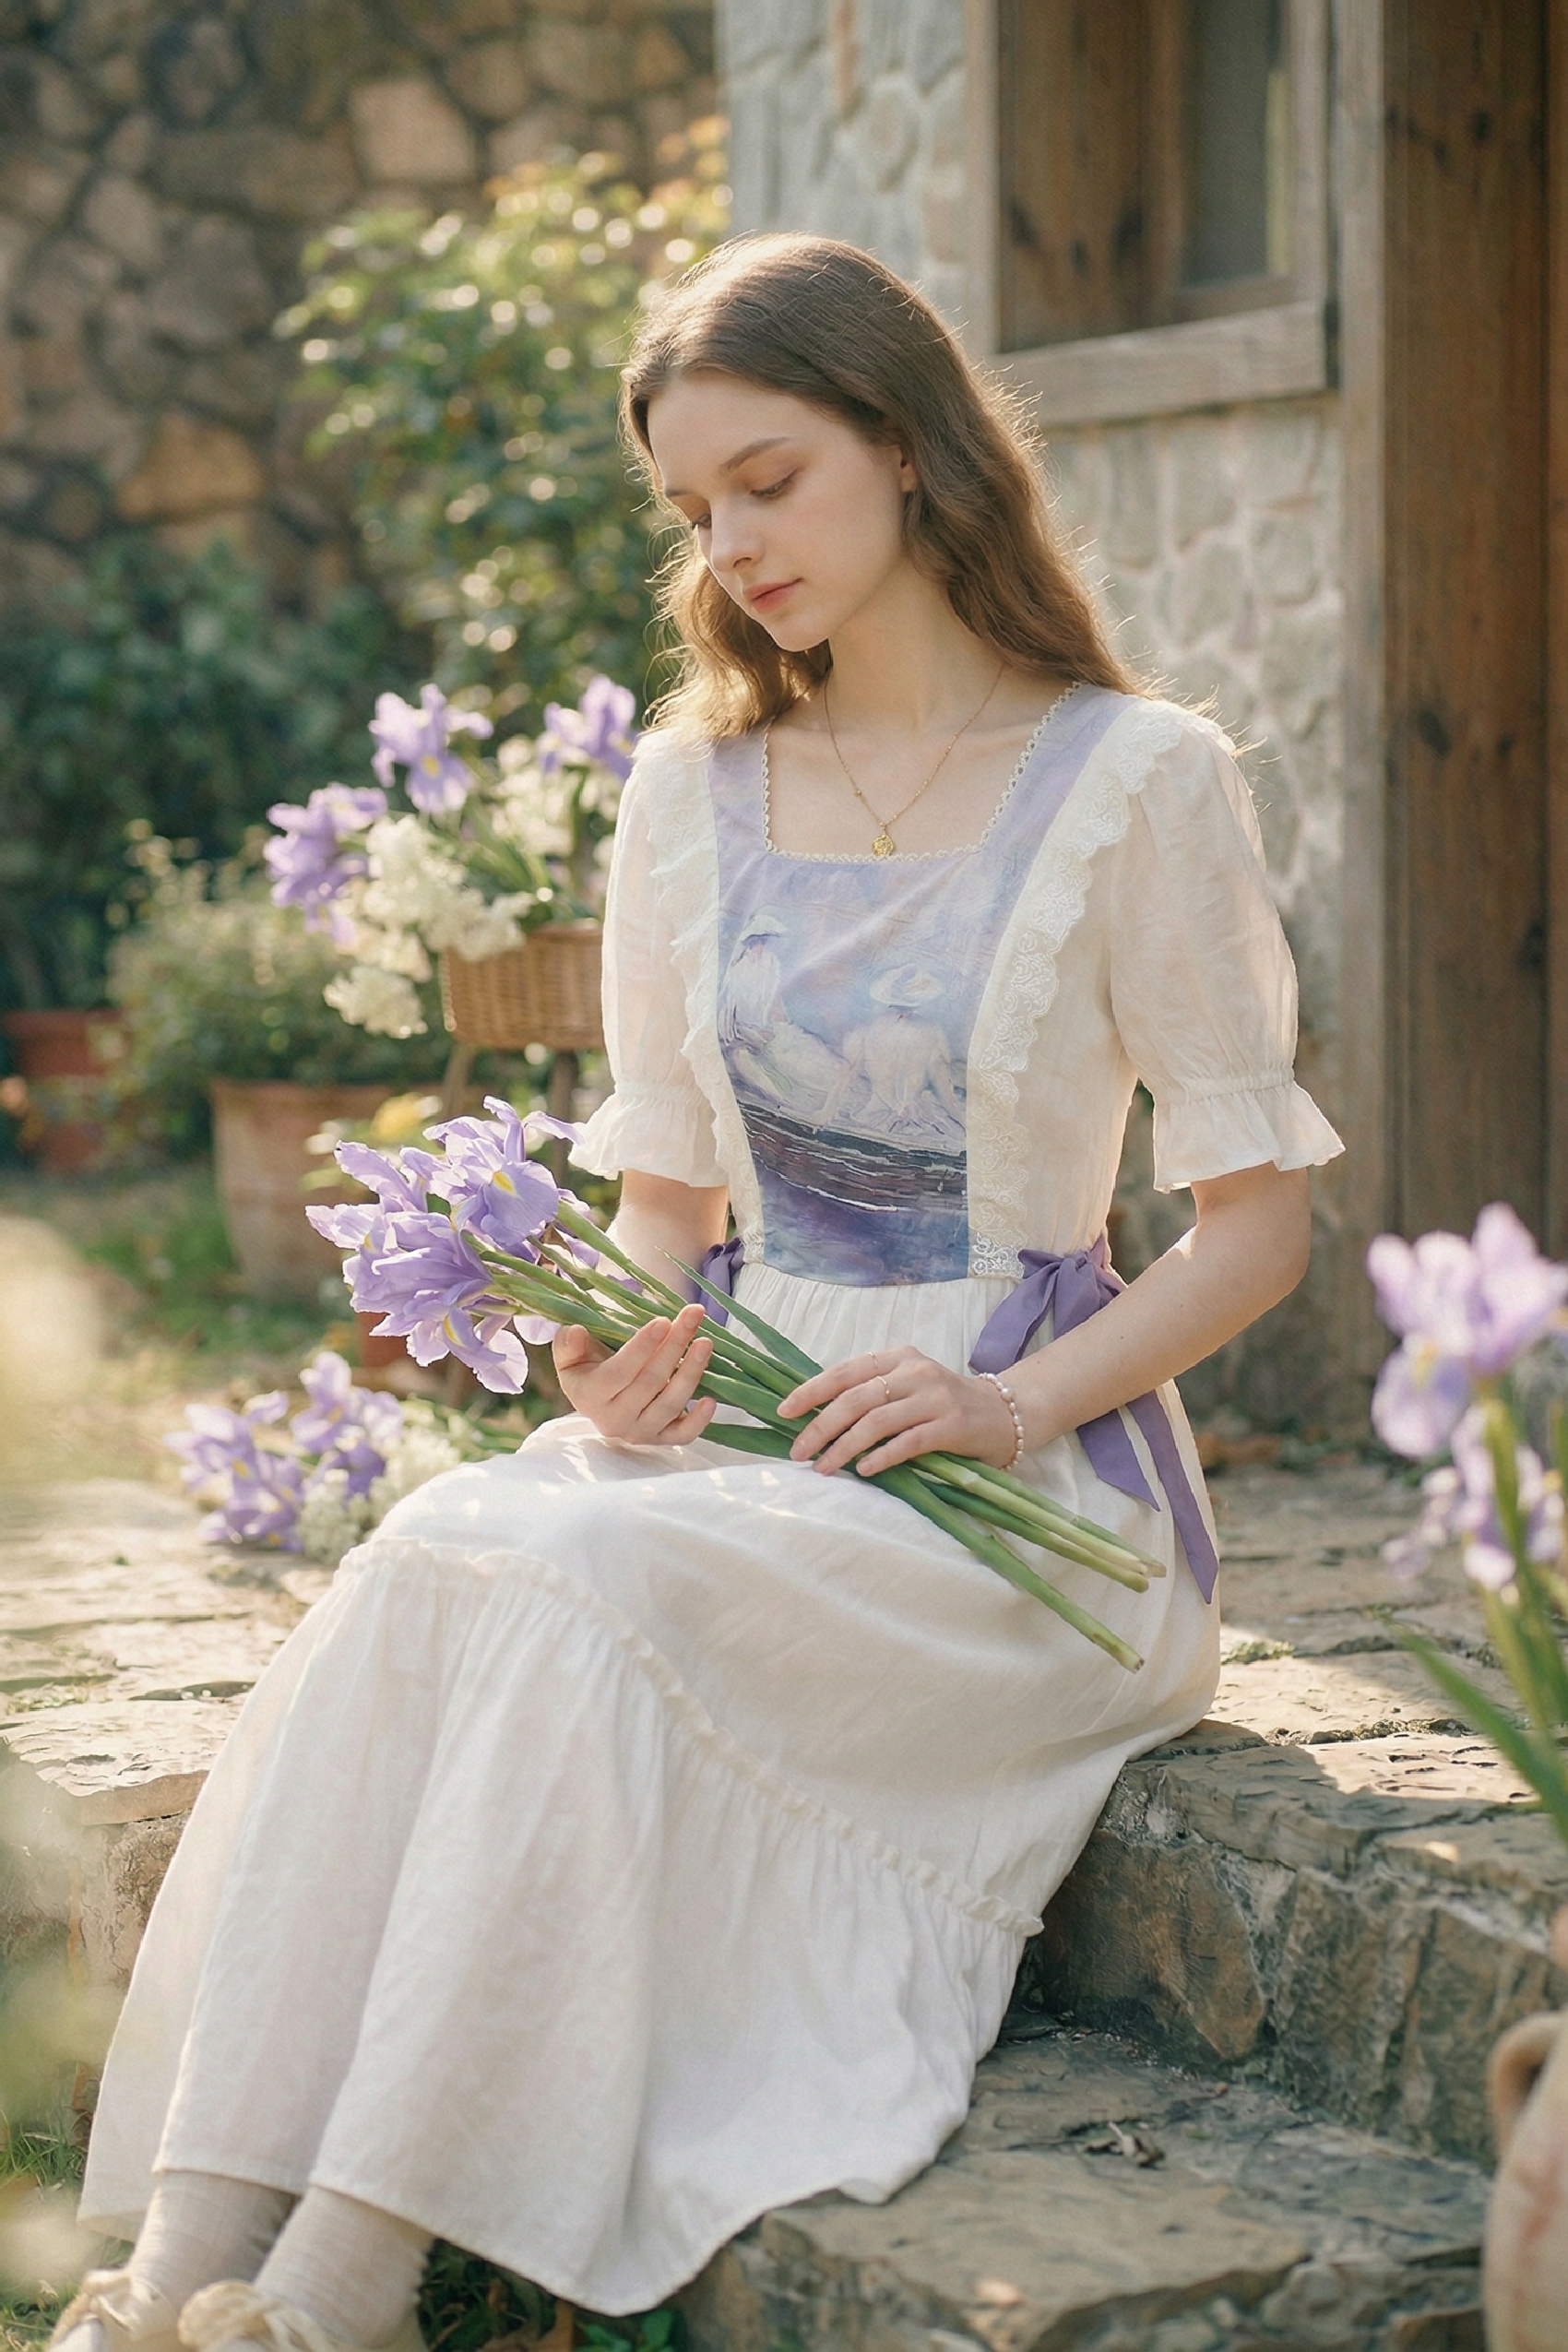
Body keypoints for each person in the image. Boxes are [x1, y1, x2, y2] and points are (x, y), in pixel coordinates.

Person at [62, 234, 1343, 2352]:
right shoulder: (689, 791)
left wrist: (1004, 1406)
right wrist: (599, 1348)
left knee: (577, 1594)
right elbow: (664, 1207)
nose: (730, 543)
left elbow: (1254, 1227)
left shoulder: (1137, 781)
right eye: (692, 508)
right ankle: (187, 2271)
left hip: (1030, 1508)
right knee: (438, 1553)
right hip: (743, 1431)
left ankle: (343, 2292)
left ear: (911, 451)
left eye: (769, 479)